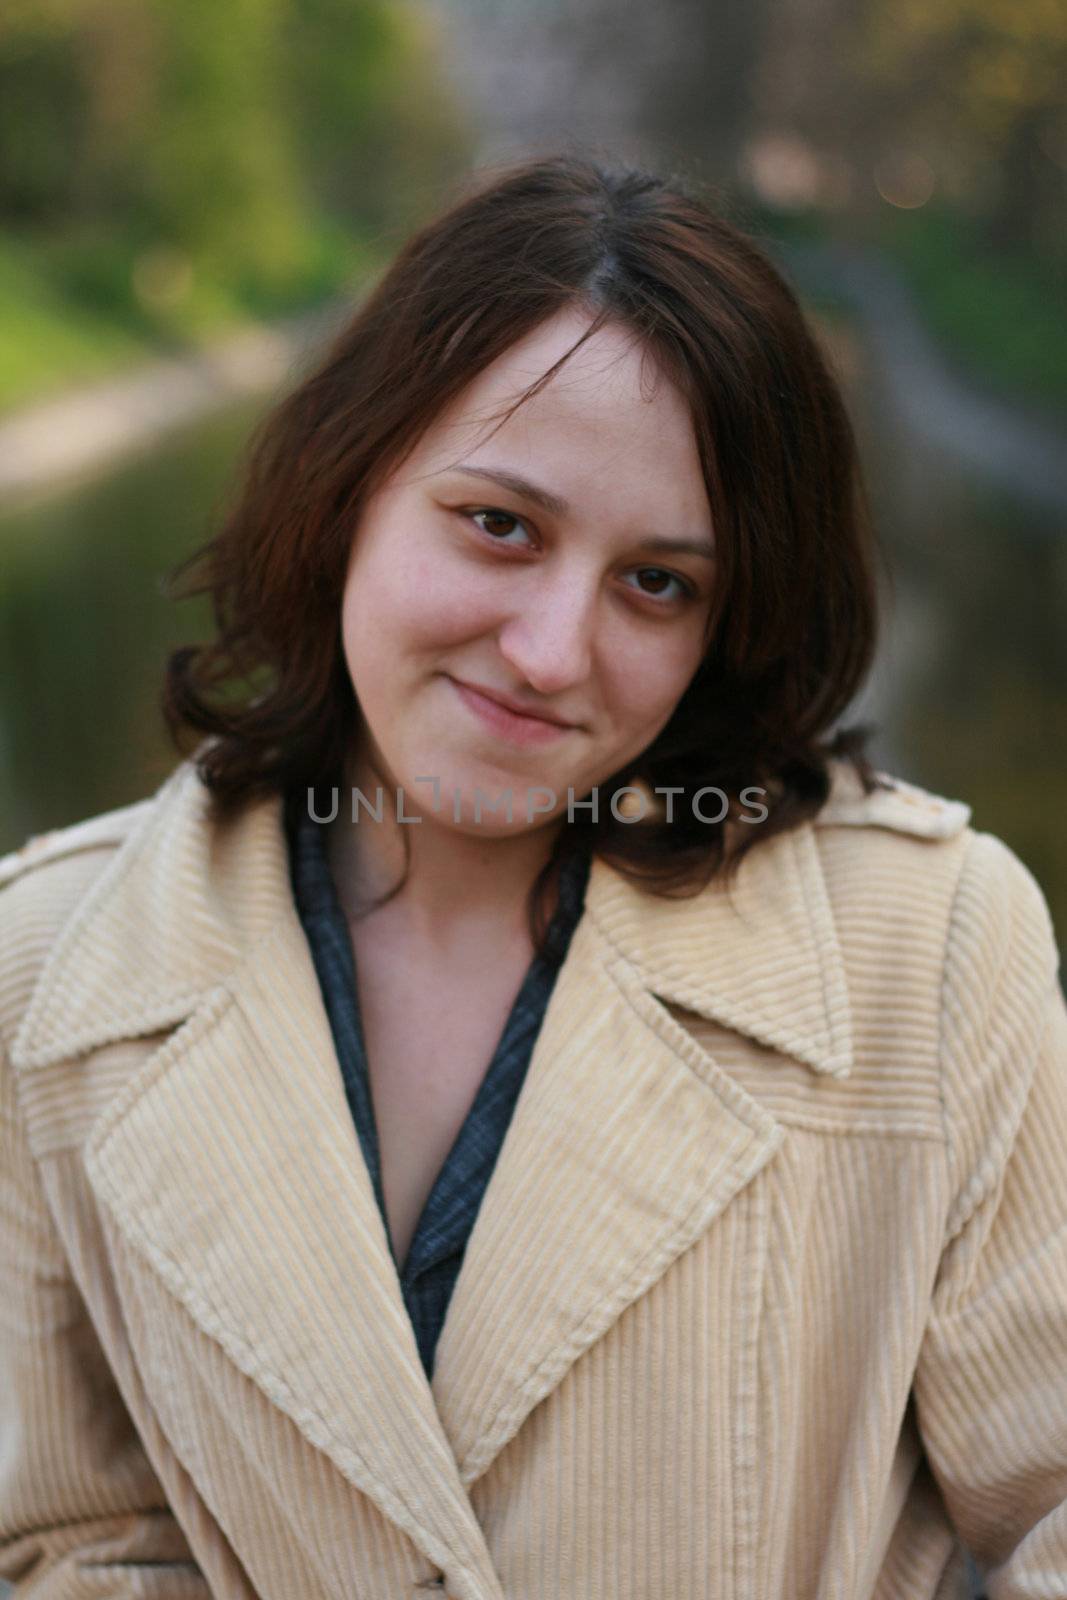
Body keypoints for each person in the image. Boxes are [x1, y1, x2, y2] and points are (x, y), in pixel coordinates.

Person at [1, 152, 1064, 1600]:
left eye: (658, 583)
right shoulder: (45, 972)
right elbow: (62, 1546)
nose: (555, 650)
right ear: (348, 489)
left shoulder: (931, 951)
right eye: (500, 525)